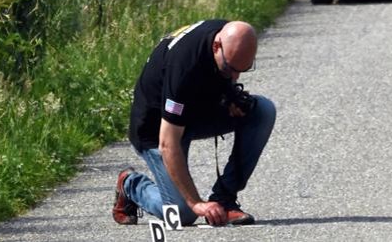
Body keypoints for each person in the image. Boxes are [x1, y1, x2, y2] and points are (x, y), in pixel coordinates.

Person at [111, 20, 276, 227]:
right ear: (217, 46)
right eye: (230, 68)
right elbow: (168, 143)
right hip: (156, 130)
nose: (235, 76)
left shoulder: (226, 37)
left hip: (190, 115)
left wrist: (230, 96)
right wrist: (196, 203)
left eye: (243, 69)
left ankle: (223, 200)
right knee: (183, 214)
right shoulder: (183, 69)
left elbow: (220, 75)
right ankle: (131, 185)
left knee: (262, 111)